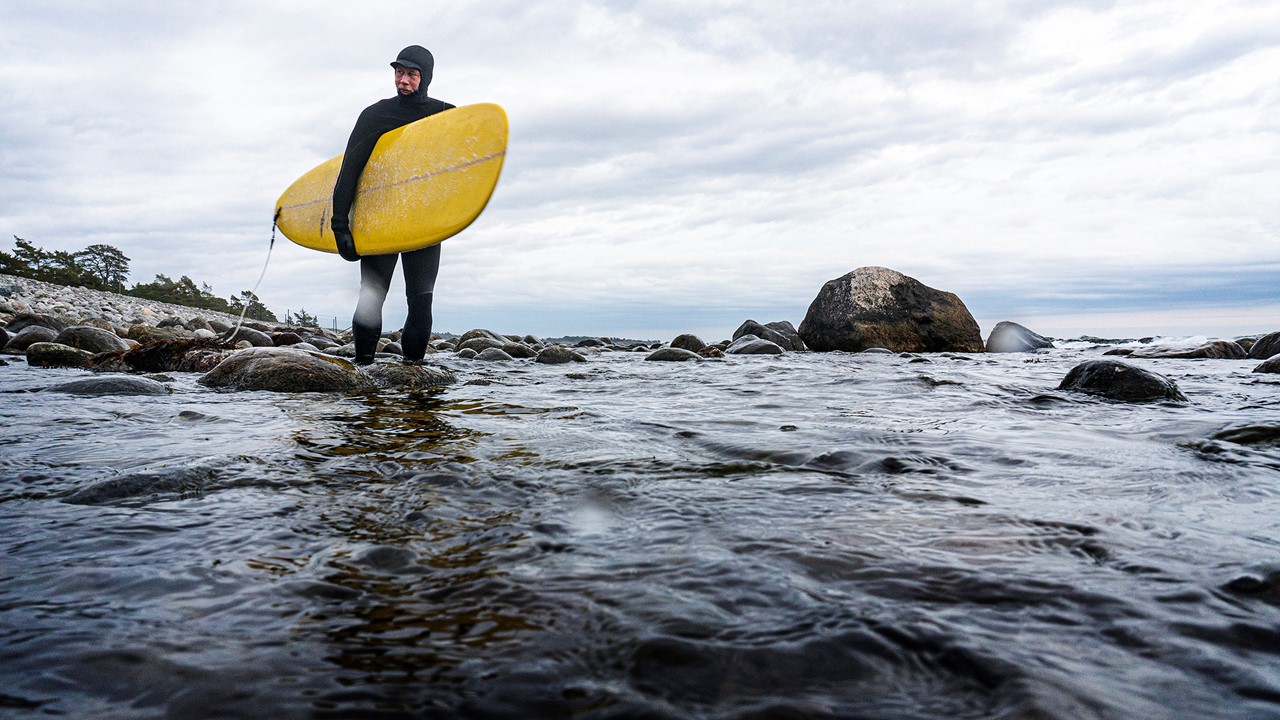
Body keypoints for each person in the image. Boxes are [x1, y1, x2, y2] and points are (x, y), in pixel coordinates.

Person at [331, 45, 455, 365]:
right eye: (399, 73)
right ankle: (363, 369)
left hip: (423, 225)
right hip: (379, 221)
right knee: (371, 297)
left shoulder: (446, 116)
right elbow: (350, 171)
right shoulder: (375, 115)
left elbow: (465, 170)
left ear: (425, 77)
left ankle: (413, 373)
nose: (403, 80)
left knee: (420, 302)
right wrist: (339, 225)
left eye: (412, 74)